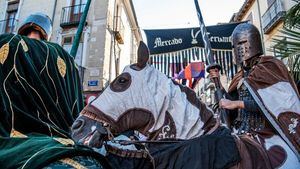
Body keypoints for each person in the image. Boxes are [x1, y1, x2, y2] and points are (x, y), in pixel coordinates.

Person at [209, 23, 300, 168]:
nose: (238, 50)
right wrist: (218, 84)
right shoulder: (240, 75)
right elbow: (230, 105)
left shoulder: (270, 66)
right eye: (235, 46)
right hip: (241, 131)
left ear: (252, 42)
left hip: (267, 131)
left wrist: (238, 104)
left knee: (290, 164)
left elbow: (276, 104)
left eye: (242, 43)